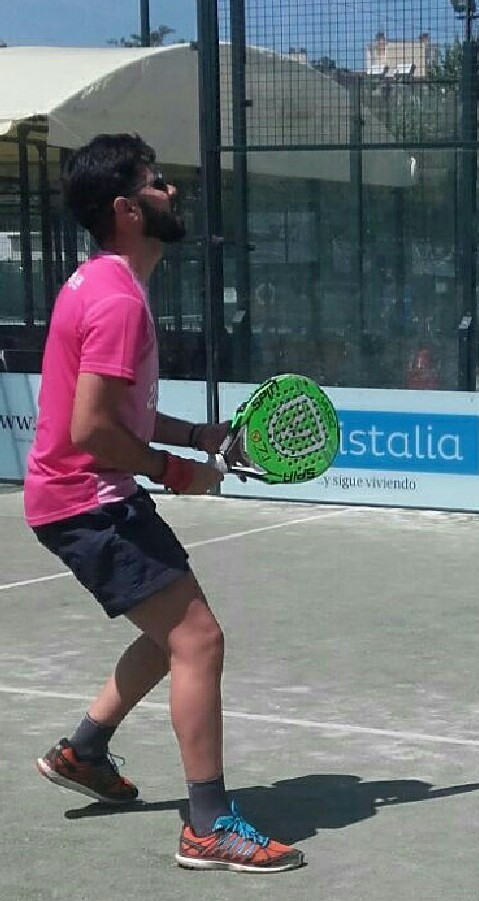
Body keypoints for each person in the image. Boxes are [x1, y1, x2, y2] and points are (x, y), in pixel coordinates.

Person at [24, 134, 304, 873]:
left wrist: (200, 437)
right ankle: (208, 825)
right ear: (126, 210)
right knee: (199, 640)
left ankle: (84, 750)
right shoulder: (119, 301)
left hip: (81, 494)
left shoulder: (101, 283)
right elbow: (91, 431)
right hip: (87, 500)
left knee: (170, 634)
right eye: (155, 181)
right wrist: (177, 472)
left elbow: (123, 414)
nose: (170, 190)